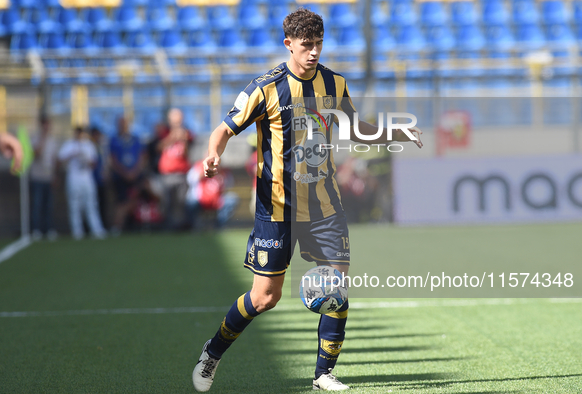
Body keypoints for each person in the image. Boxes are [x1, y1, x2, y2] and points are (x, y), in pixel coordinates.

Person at [192, 8, 422, 392]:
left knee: (336, 288)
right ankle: (213, 352)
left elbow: (356, 130)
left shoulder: (334, 83)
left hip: (324, 207)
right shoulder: (265, 87)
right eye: (306, 45)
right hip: (276, 207)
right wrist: (213, 154)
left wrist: (393, 131)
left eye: (318, 44)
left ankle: (323, 375)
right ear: (288, 45)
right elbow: (223, 129)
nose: (313, 52)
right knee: (265, 298)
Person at [58, 126, 106, 240]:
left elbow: (94, 163)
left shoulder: (88, 145)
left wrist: (85, 160)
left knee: (91, 205)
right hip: (73, 179)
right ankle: (77, 232)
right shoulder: (69, 145)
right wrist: (72, 155)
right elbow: (60, 160)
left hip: (87, 180)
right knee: (74, 206)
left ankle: (96, 230)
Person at [109, 117, 146, 235]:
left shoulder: (135, 139)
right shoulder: (113, 140)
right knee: (122, 201)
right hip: (120, 177)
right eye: (120, 124)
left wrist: (135, 171)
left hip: (135, 175)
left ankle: (135, 224)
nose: (123, 126)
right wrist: (125, 173)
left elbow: (142, 157)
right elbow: (112, 160)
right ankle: (117, 226)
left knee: (136, 198)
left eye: (124, 124)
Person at [158, 108, 193, 230]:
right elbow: (158, 147)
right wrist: (172, 137)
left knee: (181, 202)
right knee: (167, 202)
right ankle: (166, 226)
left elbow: (186, 153)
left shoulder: (187, 133)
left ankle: (180, 227)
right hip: (167, 174)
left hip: (181, 173)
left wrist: (183, 140)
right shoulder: (164, 132)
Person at [185, 160, 238, 230]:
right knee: (191, 202)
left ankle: (219, 225)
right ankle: (193, 226)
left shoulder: (223, 171)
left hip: (218, 199)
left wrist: (222, 172)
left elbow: (230, 184)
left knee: (232, 199)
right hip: (200, 199)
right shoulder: (198, 167)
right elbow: (190, 180)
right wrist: (202, 172)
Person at [29, 116, 59, 240]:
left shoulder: (53, 141)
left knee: (49, 206)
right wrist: (42, 139)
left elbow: (54, 160)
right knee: (37, 205)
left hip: (48, 177)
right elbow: (36, 154)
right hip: (37, 177)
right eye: (45, 125)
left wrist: (54, 175)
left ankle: (49, 229)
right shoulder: (35, 139)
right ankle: (36, 229)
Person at [91, 126, 110, 229]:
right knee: (92, 205)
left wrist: (105, 173)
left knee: (102, 204)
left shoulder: (102, 147)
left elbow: (104, 162)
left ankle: (103, 225)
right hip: (91, 181)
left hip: (101, 180)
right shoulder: (90, 146)